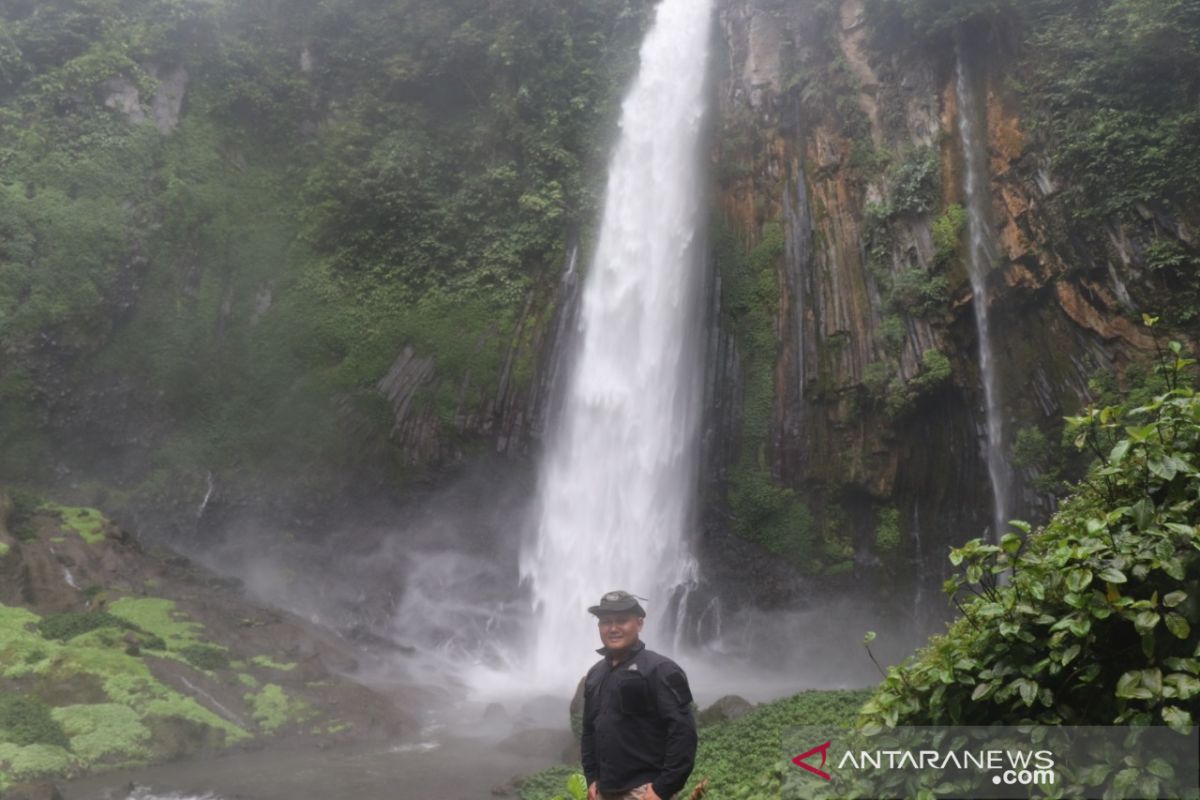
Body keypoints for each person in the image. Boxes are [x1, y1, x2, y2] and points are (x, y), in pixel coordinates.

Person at [581, 590, 698, 800]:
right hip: (603, 790)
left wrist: (663, 788)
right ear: (599, 627)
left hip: (643, 791)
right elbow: (589, 731)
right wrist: (591, 779)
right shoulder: (595, 675)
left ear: (639, 624)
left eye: (622, 621)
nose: (613, 628)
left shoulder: (661, 670)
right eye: (606, 622)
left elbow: (683, 733)